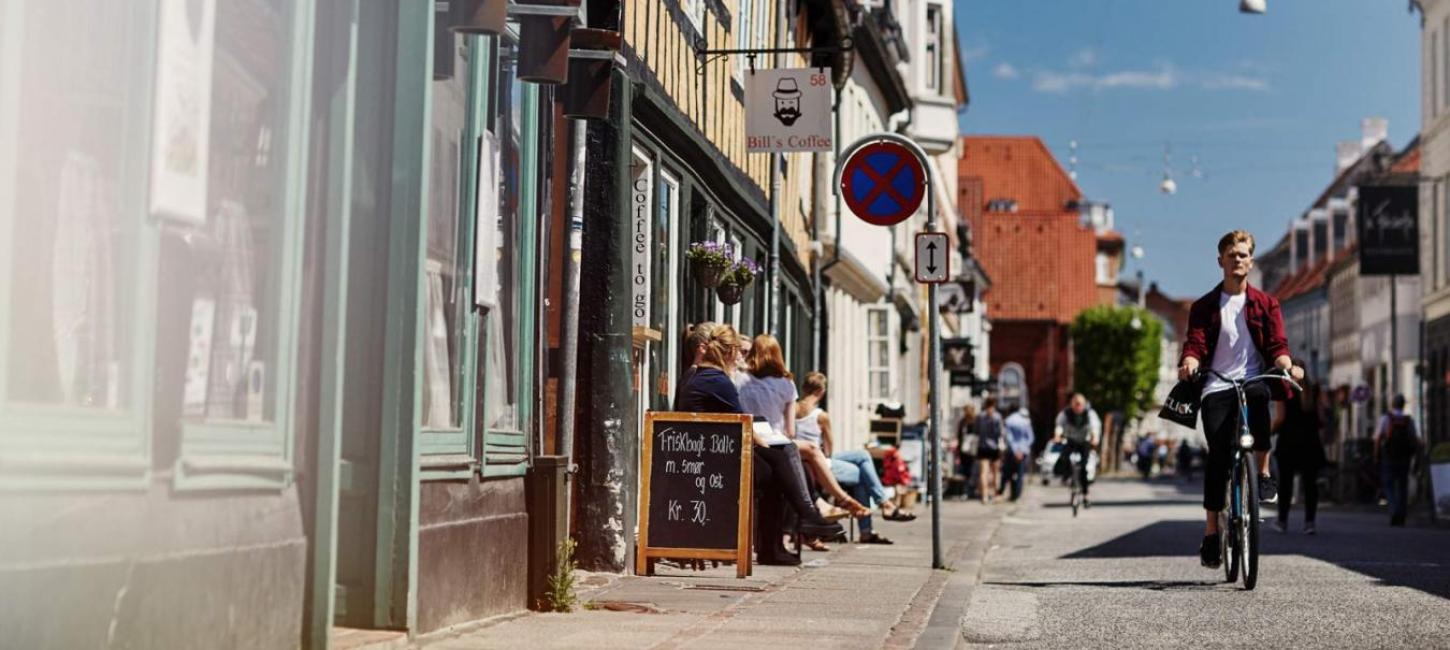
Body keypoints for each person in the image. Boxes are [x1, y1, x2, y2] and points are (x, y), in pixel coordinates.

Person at [1178, 229, 1304, 569]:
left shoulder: (1266, 304)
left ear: (1251, 260)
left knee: (1260, 397)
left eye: (1244, 254)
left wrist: (1287, 365)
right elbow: (1196, 342)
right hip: (1217, 386)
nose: (1238, 259)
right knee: (1218, 454)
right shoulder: (1204, 306)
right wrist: (1190, 360)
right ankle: (1210, 533)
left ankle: (1261, 473)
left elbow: (1277, 344)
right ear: (1221, 261)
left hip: (1252, 379)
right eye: (1232, 254)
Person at [676, 324, 843, 564]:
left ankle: (801, 521)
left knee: (780, 460)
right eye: (739, 351)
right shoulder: (718, 380)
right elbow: (744, 425)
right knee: (779, 462)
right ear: (731, 352)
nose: (742, 357)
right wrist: (765, 446)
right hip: (711, 464)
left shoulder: (698, 375)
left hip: (704, 455)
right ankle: (798, 522)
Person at [796, 372, 914, 545]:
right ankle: (879, 512)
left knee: (862, 455)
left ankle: (881, 509)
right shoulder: (821, 416)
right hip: (818, 461)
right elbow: (829, 448)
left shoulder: (794, 408)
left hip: (800, 457)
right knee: (861, 474)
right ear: (821, 391)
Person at [1272, 363, 1325, 534]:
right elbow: (1322, 416)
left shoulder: (1284, 390)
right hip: (1311, 443)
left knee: (1285, 484)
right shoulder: (1314, 390)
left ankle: (1282, 521)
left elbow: (1280, 419)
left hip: (1288, 443)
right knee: (1310, 485)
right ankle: (1310, 522)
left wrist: (1268, 432)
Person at [1375, 394, 1421, 527]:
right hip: (1404, 457)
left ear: (1392, 404)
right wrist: (1416, 456)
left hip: (1389, 456)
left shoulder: (1386, 418)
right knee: (1402, 485)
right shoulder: (1408, 420)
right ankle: (1401, 514)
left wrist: (1376, 455)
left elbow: (1378, 438)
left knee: (1388, 485)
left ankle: (1394, 509)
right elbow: (1414, 439)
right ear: (1403, 405)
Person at [1052, 393, 1101, 504]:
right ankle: (1067, 476)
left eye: (1080, 404)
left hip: (1084, 441)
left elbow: (1095, 426)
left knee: (1084, 467)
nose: (1078, 407)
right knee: (1064, 457)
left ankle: (1085, 494)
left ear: (1084, 404)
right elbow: (1059, 425)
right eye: (1075, 404)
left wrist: (1095, 438)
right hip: (1071, 440)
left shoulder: (1089, 413)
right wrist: (1057, 435)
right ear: (1072, 404)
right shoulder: (1066, 413)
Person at [1000, 403, 1034, 502]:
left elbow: (1009, 438)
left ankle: (1010, 493)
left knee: (1008, 473)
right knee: (1020, 474)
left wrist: (1016, 451)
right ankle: (1017, 495)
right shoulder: (1025, 421)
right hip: (1023, 452)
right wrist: (1022, 450)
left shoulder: (1008, 421)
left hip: (1012, 451)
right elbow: (1030, 438)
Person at [975, 398, 1004, 505]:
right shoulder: (997, 416)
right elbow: (1000, 433)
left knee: (983, 472)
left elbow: (976, 431)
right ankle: (996, 495)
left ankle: (985, 496)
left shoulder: (980, 416)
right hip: (994, 447)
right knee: (996, 472)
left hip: (982, 447)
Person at [957, 404, 980, 499]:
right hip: (966, 451)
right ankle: (969, 490)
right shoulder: (963, 422)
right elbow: (959, 435)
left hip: (972, 450)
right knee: (968, 472)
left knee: (972, 471)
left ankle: (971, 490)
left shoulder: (974, 421)